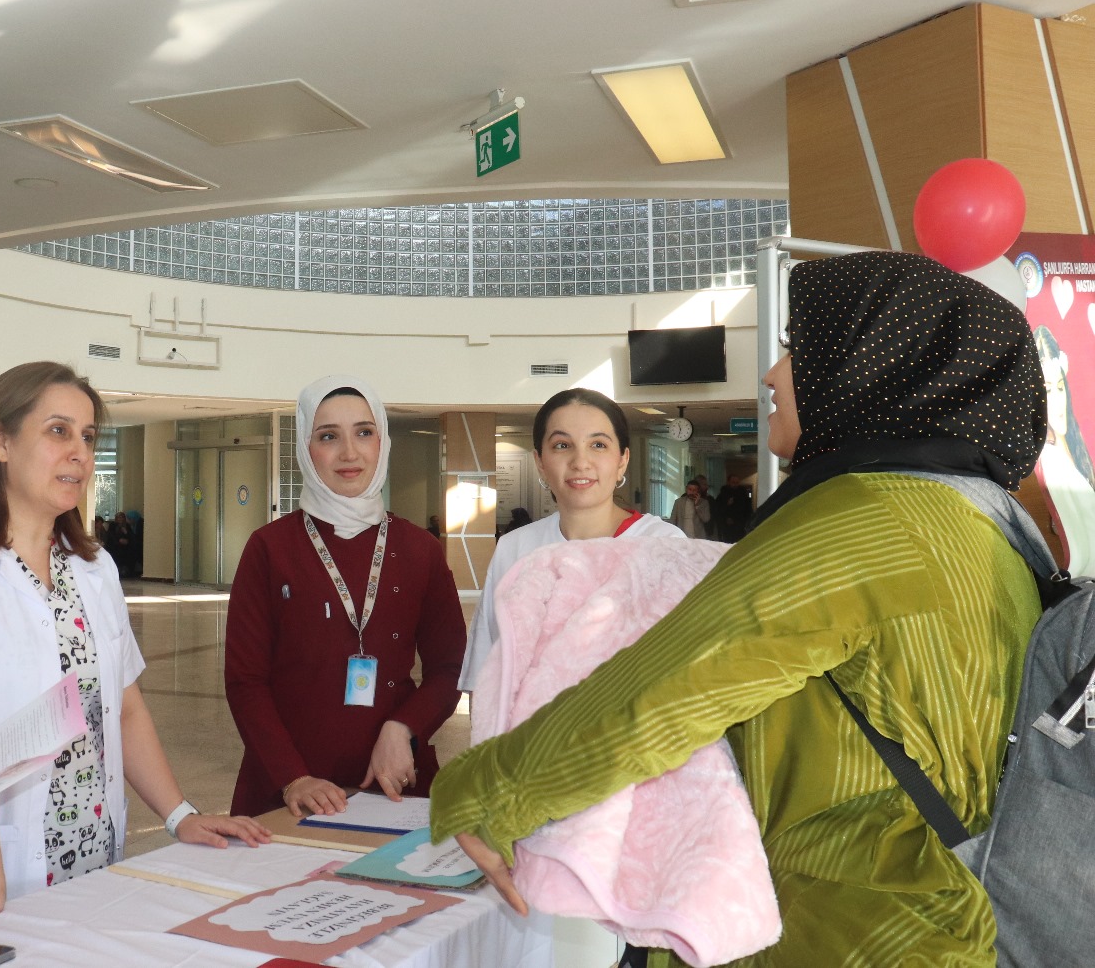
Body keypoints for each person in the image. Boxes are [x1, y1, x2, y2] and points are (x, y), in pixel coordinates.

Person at [432, 251, 1049, 966]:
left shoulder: (862, 519)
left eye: (796, 350)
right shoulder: (987, 526)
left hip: (836, 924)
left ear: (868, 369)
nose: (772, 374)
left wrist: (485, 793)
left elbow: (666, 686)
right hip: (929, 919)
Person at [0, 362, 270, 930]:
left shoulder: (93, 568)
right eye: (58, 431)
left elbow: (126, 708)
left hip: (94, 859)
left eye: (89, 437)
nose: (80, 454)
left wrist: (178, 815)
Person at [225, 375, 466, 818]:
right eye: (328, 436)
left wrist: (404, 728)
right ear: (305, 446)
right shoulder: (270, 547)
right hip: (286, 786)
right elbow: (246, 682)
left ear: (382, 442)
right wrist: (292, 777)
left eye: (364, 432)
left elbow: (450, 668)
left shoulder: (420, 550)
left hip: (393, 778)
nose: (349, 452)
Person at [460, 388, 683, 691]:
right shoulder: (515, 548)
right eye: (562, 445)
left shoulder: (663, 544)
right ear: (540, 460)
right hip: (532, 735)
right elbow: (487, 672)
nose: (581, 461)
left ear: (622, 460)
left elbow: (685, 672)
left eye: (598, 445)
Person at [1034, 324, 1095, 571]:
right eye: (1047, 390)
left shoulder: (1073, 446)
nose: (1057, 401)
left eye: (1060, 387)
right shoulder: (1050, 459)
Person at [713, 473, 753, 543]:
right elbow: (717, 511)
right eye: (733, 482)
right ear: (728, 482)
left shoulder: (743, 495)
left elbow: (748, 511)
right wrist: (726, 505)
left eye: (737, 482)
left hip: (740, 527)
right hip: (726, 528)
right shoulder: (722, 495)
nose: (735, 484)